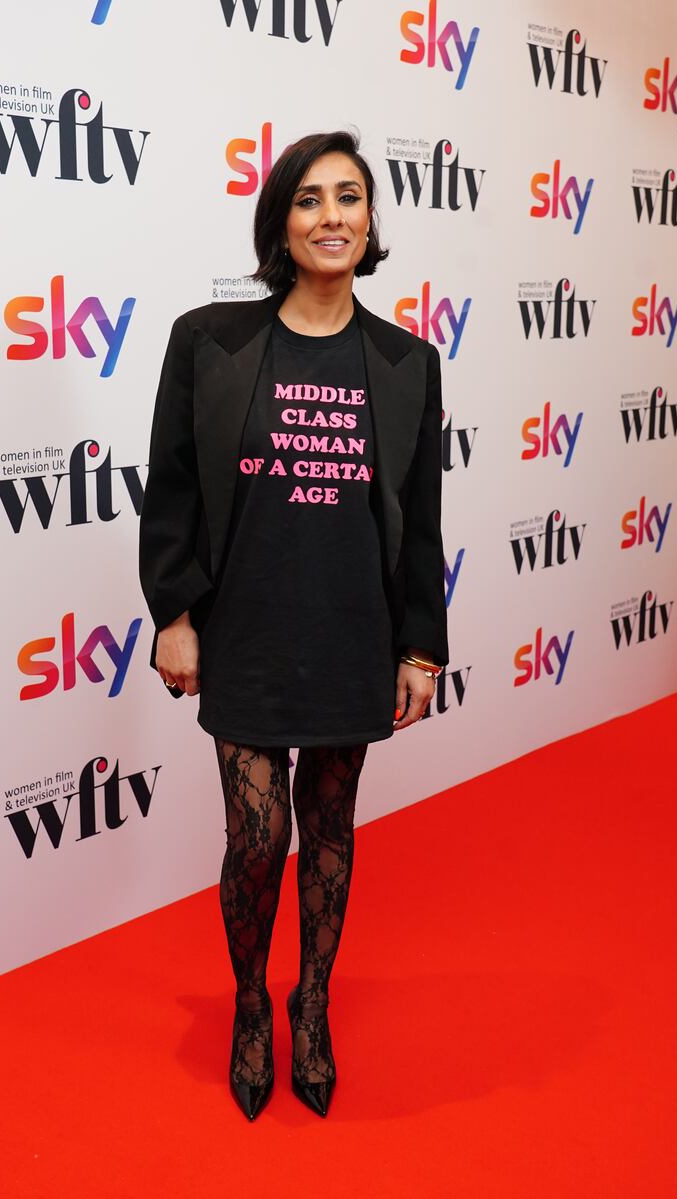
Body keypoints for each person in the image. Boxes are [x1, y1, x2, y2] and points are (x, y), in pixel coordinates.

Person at [139, 129, 448, 1121]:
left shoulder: (406, 362)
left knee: (326, 828)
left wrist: (419, 642)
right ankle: (247, 1000)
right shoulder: (209, 341)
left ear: (369, 220)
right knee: (253, 830)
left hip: (352, 623)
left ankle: (308, 1005)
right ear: (281, 221)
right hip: (246, 627)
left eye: (347, 198)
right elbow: (174, 489)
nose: (330, 216)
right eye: (308, 199)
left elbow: (418, 515)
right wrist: (174, 613)